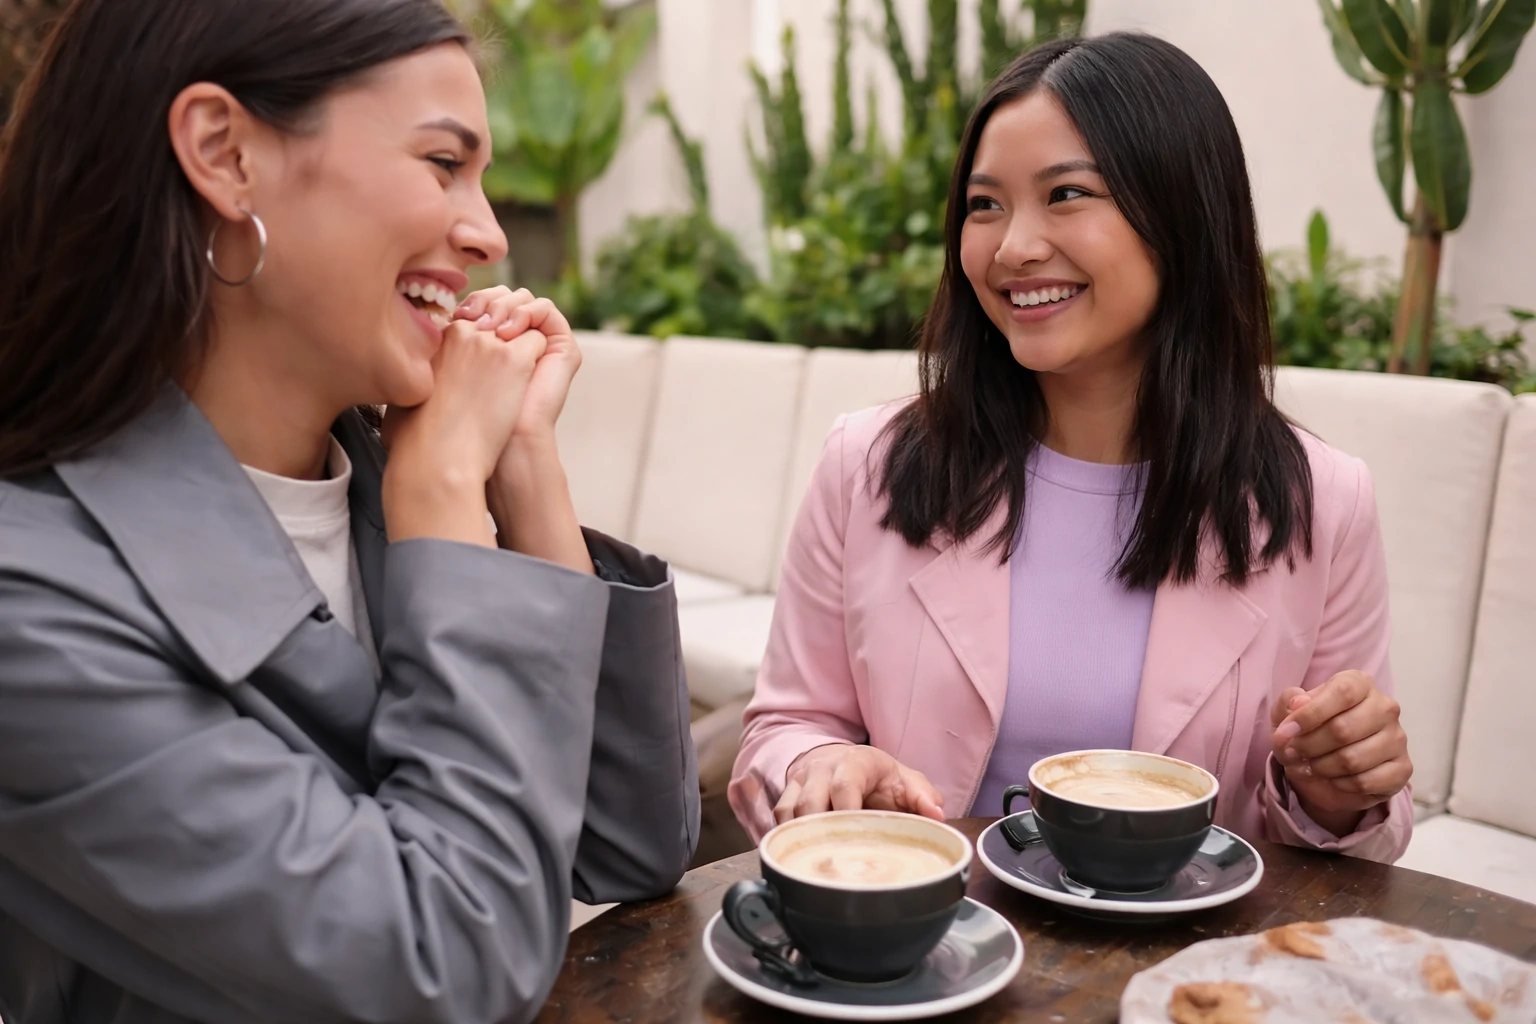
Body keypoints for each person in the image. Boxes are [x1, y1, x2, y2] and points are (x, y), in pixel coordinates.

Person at [0, 2, 698, 1022]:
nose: (489, 232)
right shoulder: (36, 606)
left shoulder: (382, 473)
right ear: (225, 154)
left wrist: (523, 474)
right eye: (444, 163)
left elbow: (629, 842)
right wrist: (450, 501)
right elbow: (447, 964)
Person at [729, 33, 1413, 864]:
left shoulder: (1320, 501)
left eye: (1066, 195)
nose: (1013, 246)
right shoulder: (868, 462)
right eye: (984, 205)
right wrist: (820, 763)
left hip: (1170, 968)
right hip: (925, 948)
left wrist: (1336, 793)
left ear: (1182, 214)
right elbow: (786, 724)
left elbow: (1346, 827)